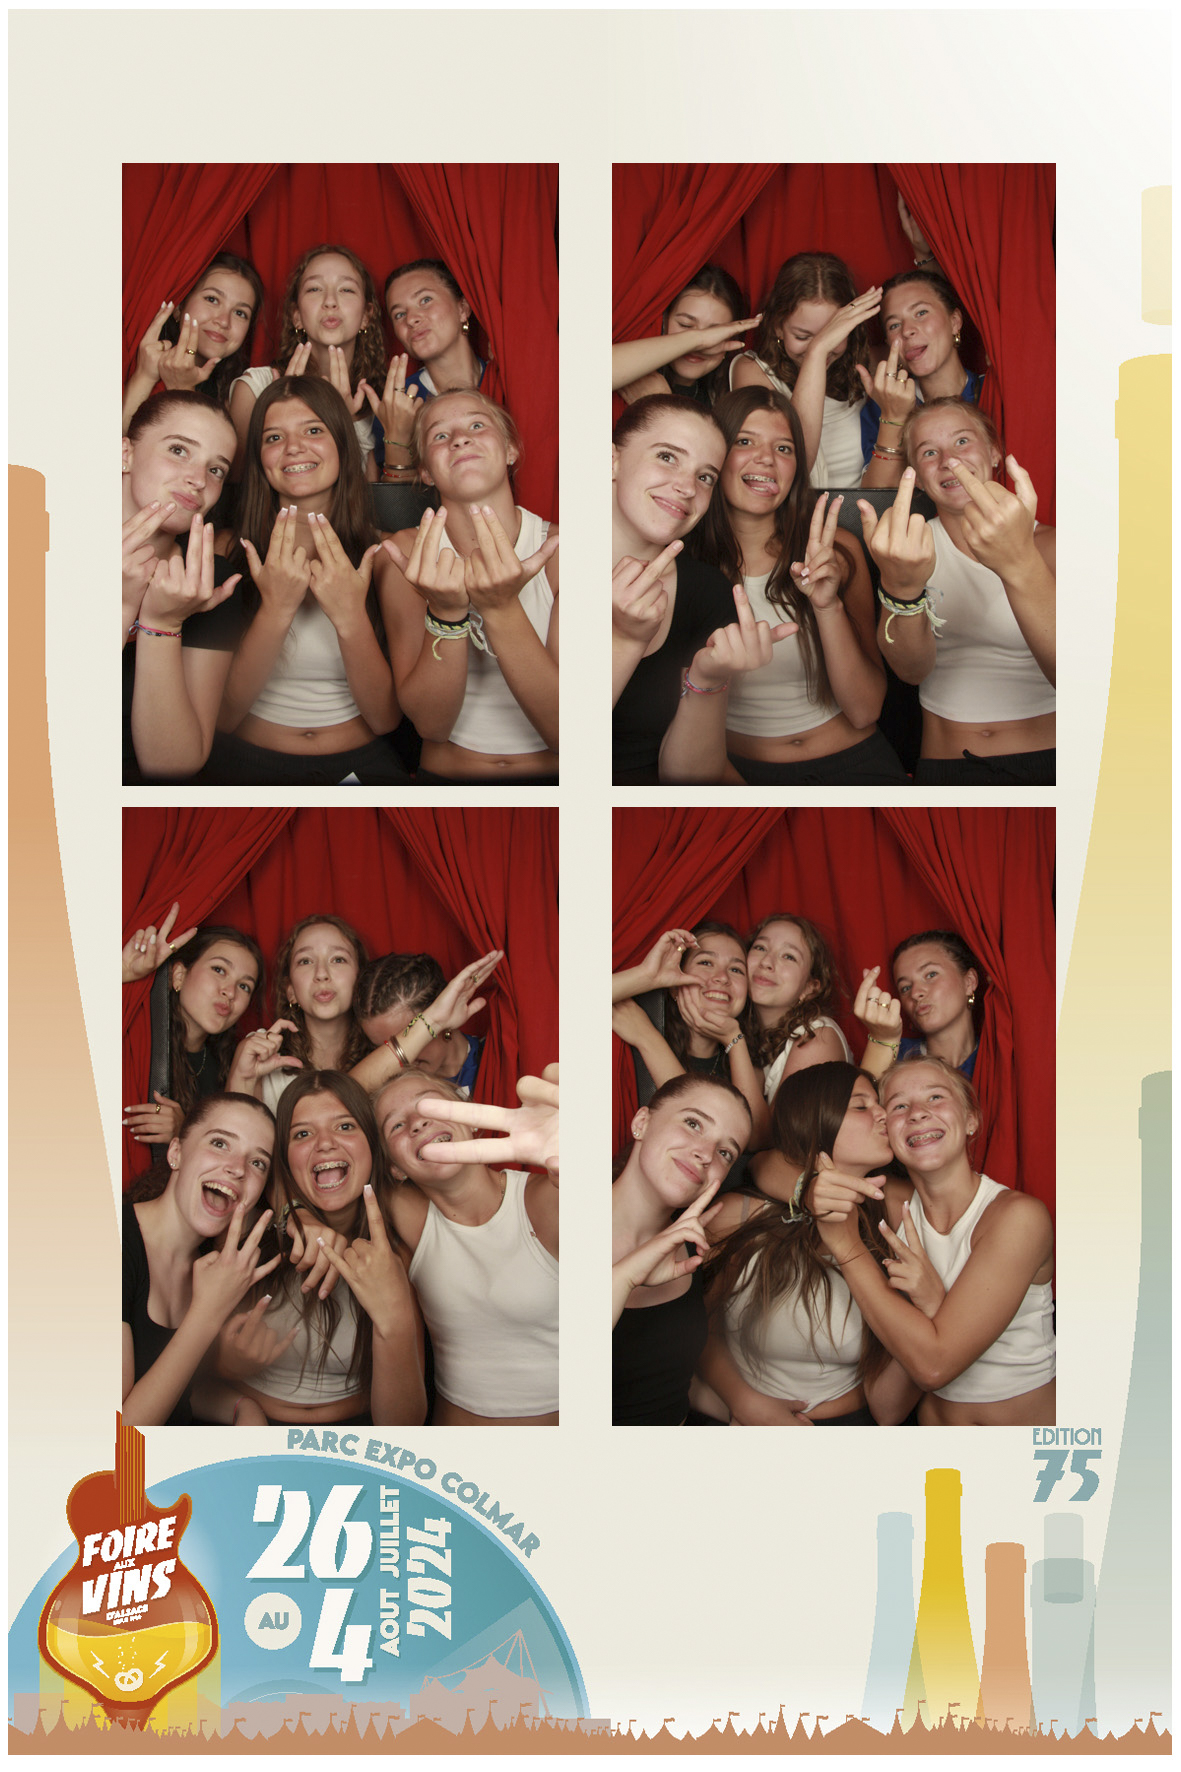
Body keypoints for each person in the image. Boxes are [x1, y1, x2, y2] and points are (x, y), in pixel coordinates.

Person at [809, 1056, 1055, 1425]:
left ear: (971, 1119)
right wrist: (808, 1189)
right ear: (886, 1131)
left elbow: (933, 1367)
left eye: (936, 1097)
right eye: (899, 1106)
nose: (918, 1113)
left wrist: (847, 1248)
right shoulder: (891, 1207)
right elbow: (887, 1409)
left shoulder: (1018, 1218)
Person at [692, 387, 908, 784]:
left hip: (855, 762)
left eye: (784, 448)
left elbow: (865, 710)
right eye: (744, 441)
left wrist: (828, 607)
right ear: (715, 455)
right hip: (735, 774)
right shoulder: (683, 564)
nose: (766, 459)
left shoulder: (837, 549)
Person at [693, 1064, 919, 1425]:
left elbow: (904, 1363)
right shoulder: (739, 1215)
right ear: (814, 1120)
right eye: (861, 1106)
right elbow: (695, 1327)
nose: (883, 1114)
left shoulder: (897, 1215)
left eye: (880, 1103)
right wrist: (744, 1402)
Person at [211, 376, 408, 785]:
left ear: (343, 444)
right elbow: (223, 716)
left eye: (313, 430)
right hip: (247, 765)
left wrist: (350, 615)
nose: (294, 447)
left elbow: (386, 719)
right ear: (259, 458)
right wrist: (276, 609)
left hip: (361, 766)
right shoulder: (225, 551)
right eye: (273, 437)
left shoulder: (386, 557)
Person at [859, 402, 1055, 785]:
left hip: (1052, 762)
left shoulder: (1053, 546)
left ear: (994, 452)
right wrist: (901, 587)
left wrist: (1020, 562)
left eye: (962, 441)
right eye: (929, 452)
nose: (949, 461)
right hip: (947, 765)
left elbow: (1083, 682)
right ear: (916, 477)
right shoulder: (906, 549)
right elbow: (911, 672)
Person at [612, 394, 796, 785]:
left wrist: (708, 679)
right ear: (611, 460)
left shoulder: (709, 592)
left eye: (705, 476)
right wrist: (623, 638)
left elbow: (689, 779)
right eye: (667, 456)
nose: (686, 487)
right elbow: (557, 743)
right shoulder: (538, 566)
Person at [380, 389, 559, 784]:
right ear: (426, 471)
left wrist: (499, 607)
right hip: (449, 780)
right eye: (440, 435)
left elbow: (566, 731)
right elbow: (431, 726)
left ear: (511, 450)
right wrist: (446, 613)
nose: (460, 439)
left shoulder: (562, 551)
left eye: (477, 425)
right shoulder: (404, 555)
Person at [228, 1072, 426, 1426]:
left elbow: (404, 1424)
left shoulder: (400, 1251)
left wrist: (393, 1320)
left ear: (373, 1144)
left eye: (345, 1126)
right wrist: (230, 1362)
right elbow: (199, 1377)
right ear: (284, 1158)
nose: (324, 1144)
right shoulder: (252, 1234)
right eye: (302, 1134)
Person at [373, 1071, 559, 1425]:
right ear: (394, 1167)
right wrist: (296, 1210)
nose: (417, 1122)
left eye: (431, 1105)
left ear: (471, 1116)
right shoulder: (409, 1218)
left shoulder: (546, 1199)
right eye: (396, 1125)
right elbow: (325, 1127)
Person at [122, 1093, 279, 1426]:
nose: (238, 1168)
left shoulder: (214, 1264)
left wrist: (242, 1407)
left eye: (258, 1163)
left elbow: (177, 1388)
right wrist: (208, 1312)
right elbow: (117, 1440)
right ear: (176, 1153)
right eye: (220, 1143)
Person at [612, 1074, 752, 1425]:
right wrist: (624, 1278)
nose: (705, 1154)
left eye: (725, 1152)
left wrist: (747, 1413)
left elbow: (664, 1383)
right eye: (693, 1124)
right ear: (642, 1122)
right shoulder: (558, 1222)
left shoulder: (693, 1247)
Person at [122, 392, 245, 782]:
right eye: (179, 450)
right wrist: (121, 609)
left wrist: (162, 624)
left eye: (217, 470)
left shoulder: (212, 581)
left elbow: (171, 766)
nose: (199, 480)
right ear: (124, 455)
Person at [229, 244, 385, 481]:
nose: (330, 302)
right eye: (314, 289)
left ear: (366, 315)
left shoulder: (383, 402)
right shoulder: (255, 388)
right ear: (297, 316)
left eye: (346, 289)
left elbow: (375, 499)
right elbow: (238, 489)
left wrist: (344, 422)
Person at [732, 252, 880, 488]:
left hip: (857, 507)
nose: (820, 346)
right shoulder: (750, 370)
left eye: (832, 335)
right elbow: (795, 467)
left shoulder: (866, 364)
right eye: (803, 336)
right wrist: (817, 352)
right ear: (778, 327)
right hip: (795, 509)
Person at [611, 924, 770, 1144]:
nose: (722, 977)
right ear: (674, 983)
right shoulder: (629, 1030)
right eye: (706, 962)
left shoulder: (747, 1064)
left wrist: (734, 1038)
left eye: (736, 970)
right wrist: (649, 976)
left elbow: (753, 1137)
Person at [122, 913, 265, 1147]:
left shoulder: (229, 1067)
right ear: (179, 976)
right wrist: (122, 972)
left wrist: (184, 1130)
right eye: (219, 970)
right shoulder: (135, 1033)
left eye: (244, 986)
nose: (230, 992)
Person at [859, 269, 985, 490]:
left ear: (955, 321)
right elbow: (876, 498)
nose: (907, 331)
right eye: (894, 325)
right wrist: (893, 418)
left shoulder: (991, 390)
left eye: (921, 313)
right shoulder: (879, 408)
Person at [122, 254, 265, 432]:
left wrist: (183, 388)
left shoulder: (237, 396)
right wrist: (144, 376)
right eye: (212, 299)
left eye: (240, 313)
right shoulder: (137, 358)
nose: (224, 321)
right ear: (180, 307)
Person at [380, 258, 487, 485]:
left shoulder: (507, 381)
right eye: (399, 314)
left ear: (462, 309)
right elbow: (392, 503)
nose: (411, 319)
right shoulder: (395, 407)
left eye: (425, 300)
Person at [612, 265, 758, 407]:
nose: (701, 346)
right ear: (663, 320)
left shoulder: (726, 404)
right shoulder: (629, 373)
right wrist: (699, 339)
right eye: (686, 325)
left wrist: (662, 401)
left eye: (715, 333)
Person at [746, 913, 852, 1102]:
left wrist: (733, 1041)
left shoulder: (816, 1035)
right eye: (760, 947)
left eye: (789, 956)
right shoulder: (751, 1034)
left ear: (810, 987)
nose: (766, 962)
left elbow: (774, 1123)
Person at [854, 931, 984, 1081]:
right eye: (905, 988)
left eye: (931, 975)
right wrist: (883, 1040)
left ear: (969, 982)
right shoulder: (893, 1055)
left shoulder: (996, 1055)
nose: (915, 993)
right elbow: (866, 1094)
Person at [357, 951, 487, 1097]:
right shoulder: (385, 1091)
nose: (404, 1062)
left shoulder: (495, 1059)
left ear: (446, 1012)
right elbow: (344, 1097)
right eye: (383, 1049)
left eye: (409, 1037)